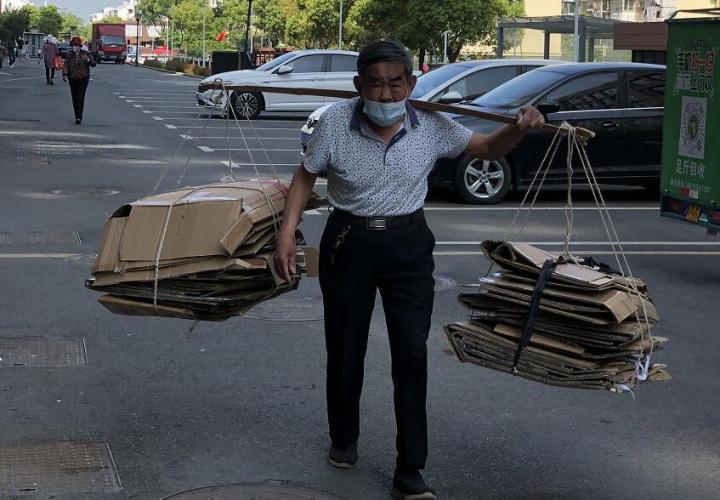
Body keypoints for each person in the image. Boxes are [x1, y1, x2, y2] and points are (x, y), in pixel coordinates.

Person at [274, 40, 545, 500]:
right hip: (347, 241)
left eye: (394, 83)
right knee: (345, 348)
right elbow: (306, 174)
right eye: (375, 84)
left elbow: (487, 148)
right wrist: (287, 231)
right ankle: (344, 440)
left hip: (408, 246)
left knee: (411, 353)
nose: (384, 94)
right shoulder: (334, 123)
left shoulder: (433, 123)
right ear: (359, 85)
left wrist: (519, 128)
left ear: (411, 83)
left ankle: (410, 468)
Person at [62, 37, 96, 124]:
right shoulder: (69, 55)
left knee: (80, 96)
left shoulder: (86, 54)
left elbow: (93, 64)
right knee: (74, 97)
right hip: (72, 77)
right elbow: (66, 65)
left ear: (80, 46)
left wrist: (88, 60)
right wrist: (65, 74)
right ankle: (76, 114)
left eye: (76, 46)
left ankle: (79, 117)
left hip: (83, 77)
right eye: (73, 46)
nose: (75, 47)